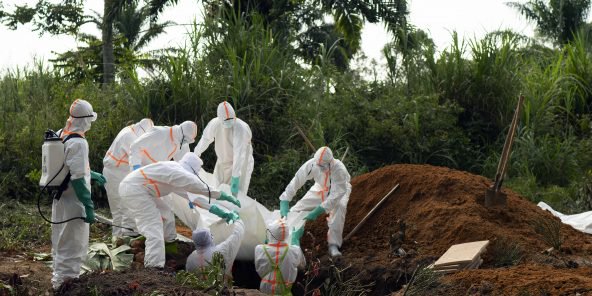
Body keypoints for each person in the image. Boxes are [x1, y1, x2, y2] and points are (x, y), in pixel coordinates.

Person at [119, 153, 241, 268]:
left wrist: (220, 211)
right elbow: (198, 186)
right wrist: (222, 195)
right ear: (192, 170)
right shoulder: (177, 172)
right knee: (153, 227)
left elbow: (195, 198)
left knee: (166, 214)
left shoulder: (175, 174)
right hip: (135, 190)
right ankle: (154, 267)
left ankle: (167, 247)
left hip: (140, 190)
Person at [52, 99, 106, 289]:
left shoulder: (61, 134)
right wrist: (88, 206)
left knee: (60, 240)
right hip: (75, 201)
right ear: (84, 120)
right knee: (74, 243)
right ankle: (66, 285)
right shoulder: (79, 142)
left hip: (60, 198)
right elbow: (76, 178)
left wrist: (91, 173)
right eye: (89, 120)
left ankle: (58, 280)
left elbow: (66, 166)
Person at [128, 120, 198, 241]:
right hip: (142, 169)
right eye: (186, 140)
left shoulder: (181, 142)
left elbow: (185, 167)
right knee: (144, 204)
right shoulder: (159, 132)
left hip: (158, 171)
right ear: (181, 133)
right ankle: (138, 235)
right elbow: (135, 146)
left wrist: (191, 193)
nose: (186, 143)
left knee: (166, 204)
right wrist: (136, 167)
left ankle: (169, 239)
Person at [278, 146, 351, 257]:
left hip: (340, 190)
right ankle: (284, 234)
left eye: (322, 166)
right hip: (320, 187)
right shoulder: (312, 164)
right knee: (297, 208)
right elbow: (297, 179)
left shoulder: (339, 169)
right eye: (318, 165)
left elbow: (335, 195)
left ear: (330, 162)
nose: (319, 167)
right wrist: (285, 199)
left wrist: (318, 210)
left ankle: (333, 245)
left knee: (339, 207)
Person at [102, 118, 154, 238]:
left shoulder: (128, 129)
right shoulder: (130, 137)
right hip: (116, 173)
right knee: (124, 206)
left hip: (116, 171)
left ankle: (119, 238)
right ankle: (127, 238)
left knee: (119, 208)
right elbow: (140, 158)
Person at [194, 101, 254, 197]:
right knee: (217, 188)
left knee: (238, 193)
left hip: (240, 164)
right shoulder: (215, 124)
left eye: (230, 119)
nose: (228, 121)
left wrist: (235, 176)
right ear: (219, 118)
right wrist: (195, 155)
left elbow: (239, 153)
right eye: (225, 120)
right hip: (223, 160)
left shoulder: (240, 127)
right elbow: (205, 139)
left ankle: (234, 210)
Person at [254, 219, 305, 295]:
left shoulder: (259, 249)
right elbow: (303, 265)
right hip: (285, 292)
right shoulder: (294, 251)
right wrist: (296, 242)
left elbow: (259, 269)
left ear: (270, 233)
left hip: (265, 291)